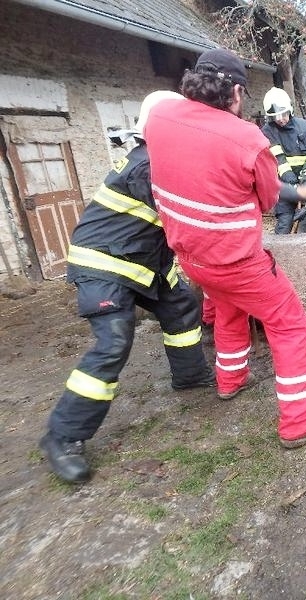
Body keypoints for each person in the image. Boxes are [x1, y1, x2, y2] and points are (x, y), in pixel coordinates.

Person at [143, 48, 306, 450]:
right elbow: (267, 200)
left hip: (192, 258)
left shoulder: (160, 117)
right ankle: (299, 422)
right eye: (244, 93)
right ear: (234, 91)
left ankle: (230, 379)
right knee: (290, 323)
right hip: (236, 261)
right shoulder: (247, 138)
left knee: (229, 307)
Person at [39, 90, 215, 484]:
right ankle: (62, 435)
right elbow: (187, 213)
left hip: (145, 262)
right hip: (106, 264)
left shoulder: (159, 159)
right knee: (113, 342)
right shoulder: (147, 166)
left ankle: (190, 376)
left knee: (182, 305)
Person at [261, 87, 306, 233]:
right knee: (284, 225)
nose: (279, 119)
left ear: (289, 109)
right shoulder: (268, 131)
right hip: (285, 189)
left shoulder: (305, 127)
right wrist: (290, 180)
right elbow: (276, 157)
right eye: (275, 116)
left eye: (282, 114)